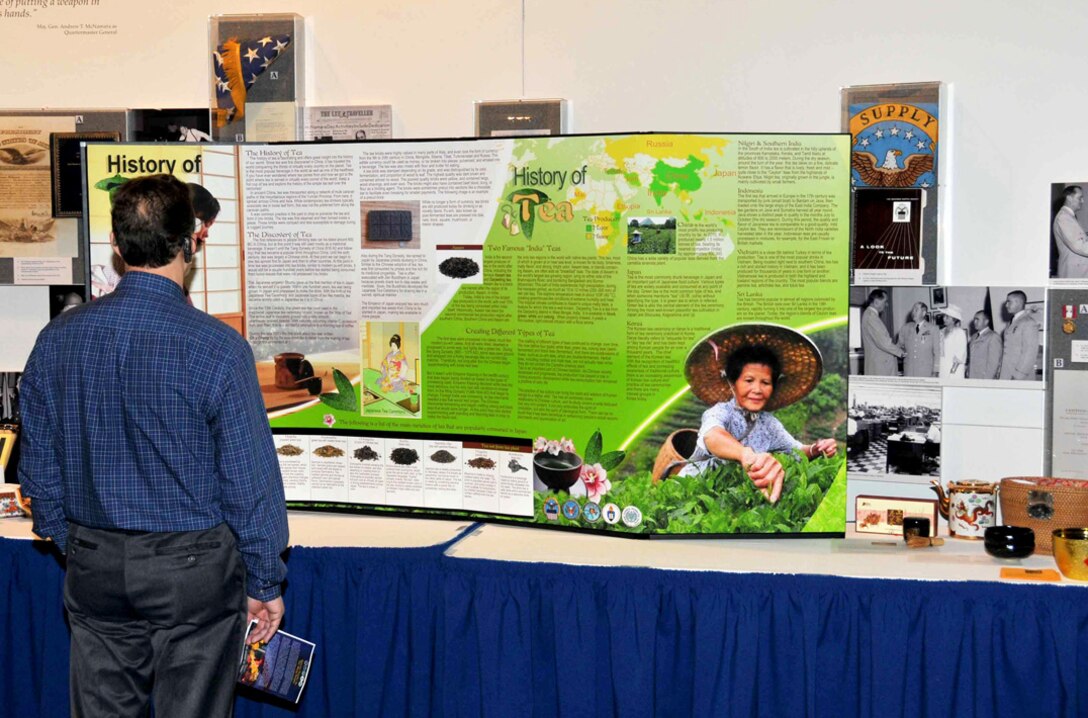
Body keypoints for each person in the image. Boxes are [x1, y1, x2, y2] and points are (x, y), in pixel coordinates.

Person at [18, 174, 288, 717]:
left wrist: (65, 535)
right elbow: (249, 484)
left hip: (92, 560)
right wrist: (264, 578)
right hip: (192, 573)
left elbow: (38, 464)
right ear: (189, 243)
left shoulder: (57, 339)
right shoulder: (219, 350)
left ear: (116, 247)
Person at [677, 324, 837, 504]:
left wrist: (817, 449)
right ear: (732, 383)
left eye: (766, 382)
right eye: (749, 380)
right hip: (690, 494)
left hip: (727, 498)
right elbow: (713, 436)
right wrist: (747, 455)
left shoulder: (769, 424)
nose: (757, 390)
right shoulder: (720, 412)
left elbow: (797, 451)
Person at [999, 290, 1040, 380]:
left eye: (1009, 302)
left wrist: (1018, 375)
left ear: (1018, 302)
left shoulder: (1028, 322)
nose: (1006, 305)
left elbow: (1030, 352)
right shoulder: (1011, 323)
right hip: (1006, 374)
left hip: (1019, 376)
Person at [861, 289, 904, 376]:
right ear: (876, 302)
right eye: (885, 302)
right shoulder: (871, 317)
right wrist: (901, 353)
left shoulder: (869, 315)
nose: (887, 305)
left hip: (879, 365)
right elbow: (884, 342)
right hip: (881, 367)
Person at [1053, 185, 1088, 279]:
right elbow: (1079, 245)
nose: (1082, 201)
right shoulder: (1064, 218)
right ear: (1069, 198)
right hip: (1073, 274)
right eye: (1080, 198)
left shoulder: (1070, 217)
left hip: (1077, 273)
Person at [897, 301, 940, 377]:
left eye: (916, 310)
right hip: (908, 371)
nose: (913, 312)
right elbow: (899, 346)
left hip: (925, 371)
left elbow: (937, 352)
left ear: (923, 313)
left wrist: (936, 371)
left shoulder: (933, 329)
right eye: (913, 310)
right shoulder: (905, 328)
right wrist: (902, 354)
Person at [967, 310, 1002, 380]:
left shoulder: (993, 336)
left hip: (984, 379)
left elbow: (993, 363)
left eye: (977, 319)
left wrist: (987, 381)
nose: (974, 322)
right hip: (972, 377)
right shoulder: (974, 337)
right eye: (974, 319)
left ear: (986, 321)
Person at [938, 304, 967, 379]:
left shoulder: (959, 332)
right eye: (944, 316)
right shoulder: (941, 332)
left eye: (947, 317)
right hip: (942, 368)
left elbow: (959, 355)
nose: (944, 318)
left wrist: (952, 372)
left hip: (954, 370)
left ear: (954, 319)